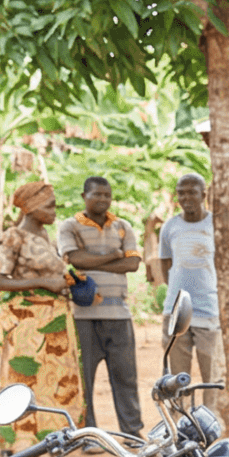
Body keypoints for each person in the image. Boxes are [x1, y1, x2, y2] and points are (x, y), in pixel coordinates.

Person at [0, 181, 85, 452]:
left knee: (52, 382)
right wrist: (43, 283)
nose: (55, 211)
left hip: (53, 321)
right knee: (23, 379)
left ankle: (48, 443)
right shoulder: (13, 237)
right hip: (26, 321)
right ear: (31, 208)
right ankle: (17, 444)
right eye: (49, 206)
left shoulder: (45, 236)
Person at [56, 174, 146, 434]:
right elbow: (74, 259)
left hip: (119, 313)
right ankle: (88, 433)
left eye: (107, 195)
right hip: (83, 315)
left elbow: (133, 263)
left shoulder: (123, 226)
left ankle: (132, 432)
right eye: (96, 194)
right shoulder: (69, 226)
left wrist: (93, 260)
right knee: (84, 379)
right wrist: (113, 256)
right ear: (84, 197)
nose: (102, 199)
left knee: (126, 376)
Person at [148, 171, 222, 387]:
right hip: (177, 310)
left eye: (192, 192)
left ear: (204, 194)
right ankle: (180, 419)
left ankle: (212, 418)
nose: (186, 198)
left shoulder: (215, 224)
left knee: (214, 378)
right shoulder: (170, 227)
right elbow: (166, 264)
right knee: (177, 379)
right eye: (181, 193)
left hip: (210, 308)